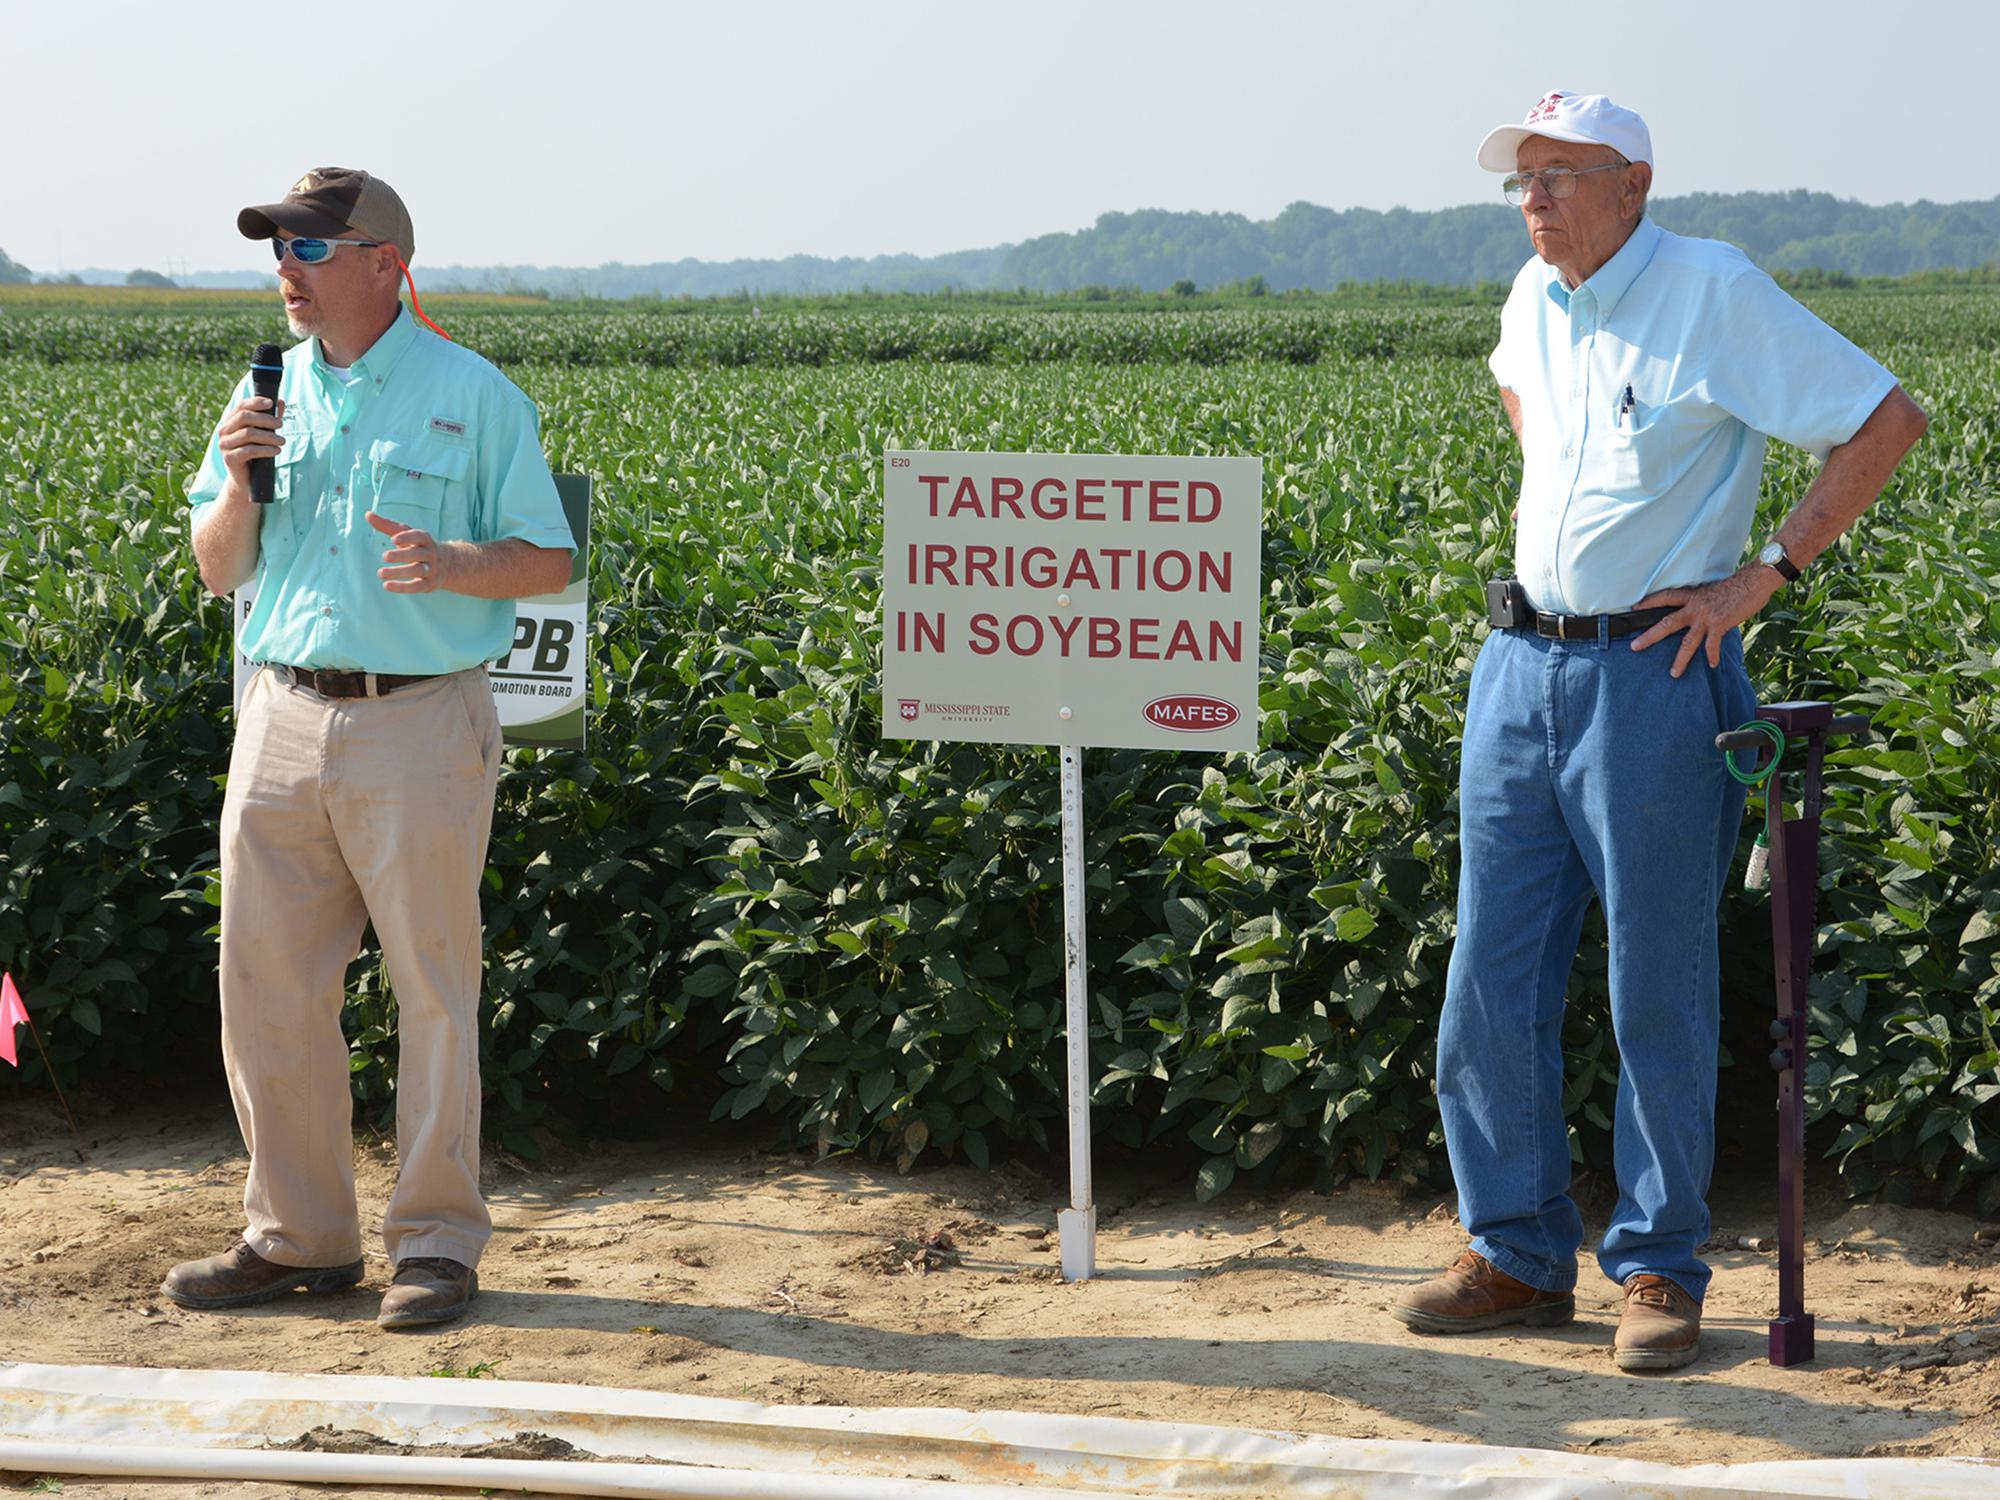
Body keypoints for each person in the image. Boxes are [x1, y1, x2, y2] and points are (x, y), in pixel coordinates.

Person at [1391, 93, 1928, 1370]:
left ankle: (1655, 1270)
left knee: (1656, 984)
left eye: (1558, 177)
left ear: (1632, 182)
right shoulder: (1532, 300)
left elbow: (1884, 418)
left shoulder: (1711, 289)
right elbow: (1528, 413)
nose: (1533, 200)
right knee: (1488, 978)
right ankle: (1515, 1254)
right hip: (1515, 667)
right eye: (1520, 180)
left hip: (1650, 671)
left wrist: (1760, 577)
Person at [164, 168, 575, 1329]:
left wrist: (452, 565)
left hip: (419, 722)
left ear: (386, 262)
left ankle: (436, 1245)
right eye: (277, 246)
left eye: (309, 246)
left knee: (432, 992)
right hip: (282, 714)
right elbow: (216, 567)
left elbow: (546, 560)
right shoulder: (263, 393)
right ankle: (299, 1240)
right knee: (266, 990)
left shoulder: (477, 395)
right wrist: (240, 483)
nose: (283, 268)